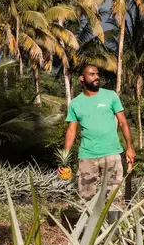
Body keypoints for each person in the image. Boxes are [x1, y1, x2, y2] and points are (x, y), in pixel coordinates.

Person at [58, 64, 135, 210]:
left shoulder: (110, 96)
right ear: (82, 78)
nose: (96, 77)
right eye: (92, 74)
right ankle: (90, 231)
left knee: (115, 199)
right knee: (86, 199)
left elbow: (123, 122)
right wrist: (65, 159)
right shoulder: (75, 103)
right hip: (87, 156)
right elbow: (71, 132)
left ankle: (114, 232)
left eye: (97, 74)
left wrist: (129, 147)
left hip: (111, 154)